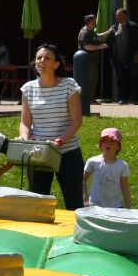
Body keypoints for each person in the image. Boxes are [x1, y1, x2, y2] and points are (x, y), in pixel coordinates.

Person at [18, 44, 85, 210]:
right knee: (38, 204)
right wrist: (25, 139)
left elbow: (76, 121)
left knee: (74, 204)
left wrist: (60, 141)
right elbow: (25, 122)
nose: (42, 61)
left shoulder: (69, 85)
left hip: (68, 152)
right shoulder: (28, 88)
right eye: (39, 57)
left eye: (47, 58)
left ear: (56, 64)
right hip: (39, 153)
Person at [83, 127, 131, 209]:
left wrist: (128, 205)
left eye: (112, 141)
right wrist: (85, 198)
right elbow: (83, 180)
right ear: (101, 145)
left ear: (118, 147)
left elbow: (125, 186)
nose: (108, 144)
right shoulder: (93, 162)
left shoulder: (122, 165)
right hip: (95, 205)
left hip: (116, 207)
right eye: (105, 141)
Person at [73, 14, 110, 115]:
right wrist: (100, 47)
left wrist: (108, 32)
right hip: (88, 62)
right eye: (94, 22)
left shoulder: (90, 32)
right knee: (89, 80)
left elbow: (97, 37)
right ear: (89, 23)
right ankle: (87, 100)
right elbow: (87, 46)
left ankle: (92, 99)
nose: (96, 24)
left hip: (93, 61)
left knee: (94, 80)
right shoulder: (84, 33)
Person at [108, 9, 138, 104]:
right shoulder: (114, 28)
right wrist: (111, 57)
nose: (117, 17)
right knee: (120, 79)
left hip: (132, 58)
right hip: (118, 59)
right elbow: (111, 43)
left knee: (134, 78)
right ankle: (122, 99)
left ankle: (136, 98)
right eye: (116, 16)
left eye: (119, 15)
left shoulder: (133, 26)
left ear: (125, 16)